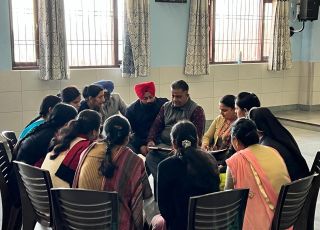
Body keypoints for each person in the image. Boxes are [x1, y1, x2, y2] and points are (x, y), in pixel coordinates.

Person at [73, 115, 152, 230]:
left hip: (84, 223)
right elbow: (145, 197)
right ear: (128, 137)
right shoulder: (134, 161)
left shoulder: (87, 151)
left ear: (104, 133)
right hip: (115, 225)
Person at [151, 120, 220, 230]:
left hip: (179, 226)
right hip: (209, 223)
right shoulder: (210, 160)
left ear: (173, 143)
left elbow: (164, 209)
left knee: (155, 221)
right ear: (197, 140)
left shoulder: (165, 166)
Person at [225, 119, 290, 230]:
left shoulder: (235, 161)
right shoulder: (273, 151)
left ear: (235, 140)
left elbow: (228, 198)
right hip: (285, 216)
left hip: (261, 223)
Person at [146, 80, 206, 179]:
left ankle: (169, 183)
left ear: (187, 95)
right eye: (173, 96)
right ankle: (163, 182)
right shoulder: (166, 107)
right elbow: (156, 126)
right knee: (151, 157)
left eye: (178, 96)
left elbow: (197, 139)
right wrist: (150, 140)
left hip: (183, 150)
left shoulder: (197, 110)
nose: (174, 99)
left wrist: (180, 149)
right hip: (164, 148)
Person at [41, 109, 101, 188]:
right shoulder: (88, 148)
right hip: (64, 197)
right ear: (94, 131)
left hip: (45, 193)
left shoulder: (63, 140)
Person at [248, 107, 309, 181]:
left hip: (291, 187)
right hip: (303, 183)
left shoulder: (267, 145)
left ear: (256, 126)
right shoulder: (282, 134)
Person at [126, 81, 168, 155]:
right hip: (141, 140)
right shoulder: (131, 111)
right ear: (140, 98)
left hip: (161, 139)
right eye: (145, 98)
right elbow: (132, 133)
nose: (149, 100)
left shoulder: (164, 104)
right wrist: (140, 145)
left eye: (151, 97)